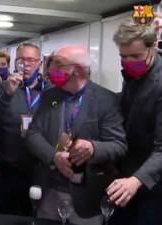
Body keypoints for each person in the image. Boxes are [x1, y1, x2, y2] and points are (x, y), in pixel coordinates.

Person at [25, 45, 126, 225]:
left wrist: (93, 148)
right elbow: (32, 134)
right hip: (49, 192)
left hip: (87, 198)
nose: (50, 69)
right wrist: (54, 156)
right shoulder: (50, 97)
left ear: (78, 70)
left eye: (58, 64)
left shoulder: (106, 100)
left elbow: (118, 145)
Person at [107, 19, 162, 225]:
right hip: (127, 176)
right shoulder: (134, 73)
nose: (129, 62)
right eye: (123, 57)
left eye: (135, 56)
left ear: (152, 47)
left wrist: (136, 180)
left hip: (153, 184)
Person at [0, 43, 51, 215]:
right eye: (21, 60)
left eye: (31, 60)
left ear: (40, 63)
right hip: (8, 168)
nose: (26, 64)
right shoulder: (3, 87)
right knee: (3, 214)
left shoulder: (51, 92)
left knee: (37, 214)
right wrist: (7, 94)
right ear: (15, 63)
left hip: (40, 168)